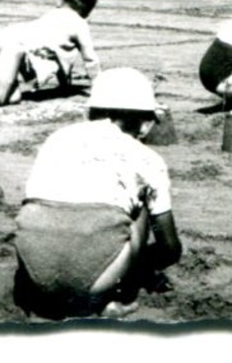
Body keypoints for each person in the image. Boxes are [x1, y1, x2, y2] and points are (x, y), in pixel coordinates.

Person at [13, 67, 182, 320]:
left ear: (90, 113)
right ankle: (114, 297)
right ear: (145, 125)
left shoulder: (57, 138)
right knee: (139, 205)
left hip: (36, 274)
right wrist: (144, 268)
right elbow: (170, 249)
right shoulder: (147, 157)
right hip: (98, 279)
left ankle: (56, 296)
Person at [0, 0, 101, 107]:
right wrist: (100, 87)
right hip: (14, 48)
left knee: (13, 98)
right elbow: (91, 61)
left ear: (62, 1)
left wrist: (65, 86)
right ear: (88, 11)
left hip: (0, 39)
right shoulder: (80, 24)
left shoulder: (53, 14)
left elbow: (56, 57)